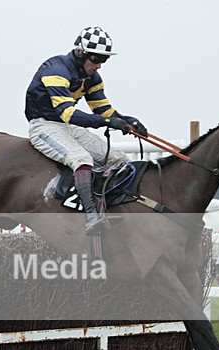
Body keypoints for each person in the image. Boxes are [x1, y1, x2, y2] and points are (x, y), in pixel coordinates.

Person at [25, 26, 147, 234]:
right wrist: (108, 123)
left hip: (68, 127)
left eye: (104, 60)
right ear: (81, 53)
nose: (99, 65)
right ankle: (91, 216)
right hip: (43, 125)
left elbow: (103, 109)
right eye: (96, 58)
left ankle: (110, 206)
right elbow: (68, 113)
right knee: (82, 158)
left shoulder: (93, 78)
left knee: (119, 159)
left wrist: (127, 120)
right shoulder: (56, 69)